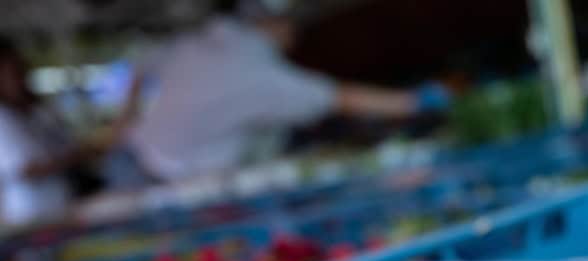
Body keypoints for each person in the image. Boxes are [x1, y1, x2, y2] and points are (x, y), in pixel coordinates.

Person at [117, 0, 447, 185]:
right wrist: (415, 102)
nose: (295, 29)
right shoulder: (260, 77)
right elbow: (343, 98)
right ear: (271, 22)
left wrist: (127, 116)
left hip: (130, 158)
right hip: (167, 180)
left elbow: (142, 65)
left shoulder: (215, 36)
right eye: (289, 20)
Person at [0, 38, 105, 227]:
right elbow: (26, 169)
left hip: (61, 202)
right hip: (31, 214)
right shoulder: (4, 117)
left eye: (21, 69)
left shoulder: (36, 110)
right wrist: (77, 157)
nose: (21, 77)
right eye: (12, 73)